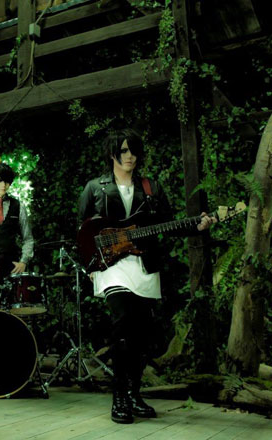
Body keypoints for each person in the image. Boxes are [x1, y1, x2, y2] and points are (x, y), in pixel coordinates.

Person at [77, 129, 216, 424]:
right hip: (111, 266)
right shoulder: (95, 187)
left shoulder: (150, 187)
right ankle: (119, 397)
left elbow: (168, 224)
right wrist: (90, 265)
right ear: (112, 154)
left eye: (134, 151)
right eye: (124, 151)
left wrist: (197, 226)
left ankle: (134, 394)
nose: (130, 156)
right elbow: (81, 231)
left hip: (144, 264)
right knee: (122, 325)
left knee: (141, 335)